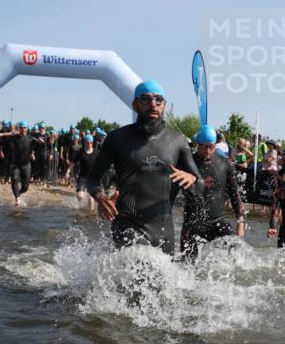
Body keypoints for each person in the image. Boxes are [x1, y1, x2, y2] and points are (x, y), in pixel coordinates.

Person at [86, 79, 202, 254]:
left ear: (164, 105)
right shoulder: (117, 138)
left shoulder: (177, 141)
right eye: (145, 99)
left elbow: (200, 186)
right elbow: (93, 179)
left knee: (162, 280)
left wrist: (192, 178)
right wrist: (101, 197)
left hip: (163, 229)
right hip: (127, 223)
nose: (153, 104)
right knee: (141, 263)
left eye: (158, 100)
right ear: (135, 105)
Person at [173, 125, 245, 259]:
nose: (208, 150)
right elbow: (171, 193)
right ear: (197, 144)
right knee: (186, 264)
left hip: (218, 220)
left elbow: (235, 194)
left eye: (211, 146)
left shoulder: (225, 164)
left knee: (236, 251)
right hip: (193, 223)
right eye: (204, 147)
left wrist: (240, 221)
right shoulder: (187, 164)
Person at [8, 121, 35, 206]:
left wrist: (33, 153)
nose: (23, 129)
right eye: (22, 128)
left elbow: (42, 146)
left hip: (26, 165)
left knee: (25, 187)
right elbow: (2, 141)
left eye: (25, 128)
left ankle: (18, 193)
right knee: (15, 179)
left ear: (27, 129)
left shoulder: (30, 138)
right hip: (15, 164)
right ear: (19, 129)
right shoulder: (14, 138)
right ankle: (17, 199)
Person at [73, 133, 100, 210]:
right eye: (87, 142)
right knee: (80, 196)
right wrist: (68, 172)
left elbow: (102, 164)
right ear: (85, 142)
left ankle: (90, 216)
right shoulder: (80, 153)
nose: (89, 144)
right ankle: (81, 208)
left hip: (93, 179)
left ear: (92, 143)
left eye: (91, 142)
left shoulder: (97, 153)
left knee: (91, 199)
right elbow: (72, 164)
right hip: (82, 178)